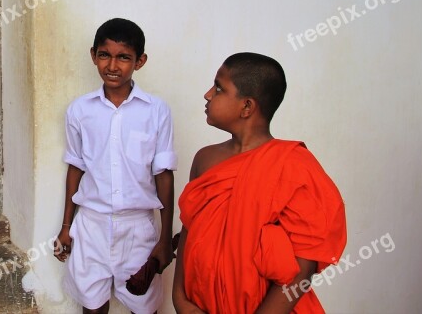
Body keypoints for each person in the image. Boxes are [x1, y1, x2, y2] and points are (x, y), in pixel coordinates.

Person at [172, 53, 347, 314]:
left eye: (219, 88)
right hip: (201, 305)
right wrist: (180, 300)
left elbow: (304, 268)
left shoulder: (293, 166)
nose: (208, 94)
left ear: (247, 107)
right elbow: (190, 230)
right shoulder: (205, 159)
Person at [54, 18, 177, 314]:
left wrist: (164, 238)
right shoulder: (80, 110)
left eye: (124, 57)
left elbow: (164, 174)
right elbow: (76, 167)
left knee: (144, 306)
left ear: (140, 61)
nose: (112, 65)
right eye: (104, 55)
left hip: (138, 228)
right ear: (93, 55)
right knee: (93, 306)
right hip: (91, 224)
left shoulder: (156, 110)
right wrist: (66, 227)